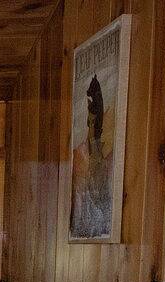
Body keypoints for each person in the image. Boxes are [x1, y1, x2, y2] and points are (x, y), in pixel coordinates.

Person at [70, 75, 113, 239]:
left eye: (96, 118)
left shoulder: (106, 158)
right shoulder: (79, 154)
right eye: (92, 118)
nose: (94, 122)